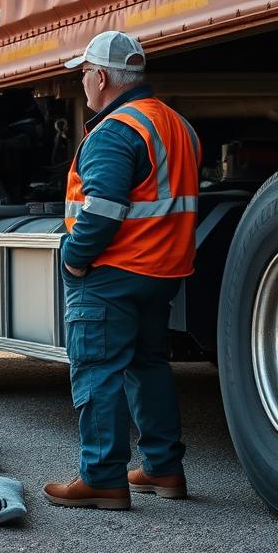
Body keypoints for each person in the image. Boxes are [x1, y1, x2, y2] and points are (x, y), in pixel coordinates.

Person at [43, 30, 201, 510]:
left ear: (104, 77)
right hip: (162, 270)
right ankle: (162, 469)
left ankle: (102, 479)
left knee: (97, 370)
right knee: (147, 365)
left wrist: (73, 256)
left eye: (86, 74)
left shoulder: (115, 130)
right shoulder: (175, 124)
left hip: (113, 270)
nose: (83, 84)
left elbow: (104, 207)